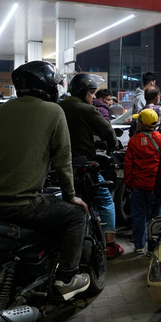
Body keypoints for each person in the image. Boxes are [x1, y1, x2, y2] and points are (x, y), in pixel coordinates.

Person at [0, 61, 90, 300]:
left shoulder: (5, 109)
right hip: (20, 205)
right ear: (48, 86)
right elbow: (63, 160)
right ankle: (67, 278)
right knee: (77, 215)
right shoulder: (53, 111)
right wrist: (71, 196)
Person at [60, 72, 124, 259]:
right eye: (91, 93)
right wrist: (113, 144)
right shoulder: (86, 109)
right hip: (83, 166)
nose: (94, 97)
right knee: (106, 201)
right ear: (82, 92)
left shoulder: (59, 107)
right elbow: (108, 132)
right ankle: (110, 245)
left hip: (58, 167)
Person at [124, 108, 161, 255]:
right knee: (155, 218)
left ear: (143, 124)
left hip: (137, 186)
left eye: (139, 121)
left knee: (138, 216)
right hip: (154, 186)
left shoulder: (134, 141)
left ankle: (139, 247)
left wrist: (128, 183)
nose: (137, 123)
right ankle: (153, 248)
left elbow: (128, 165)